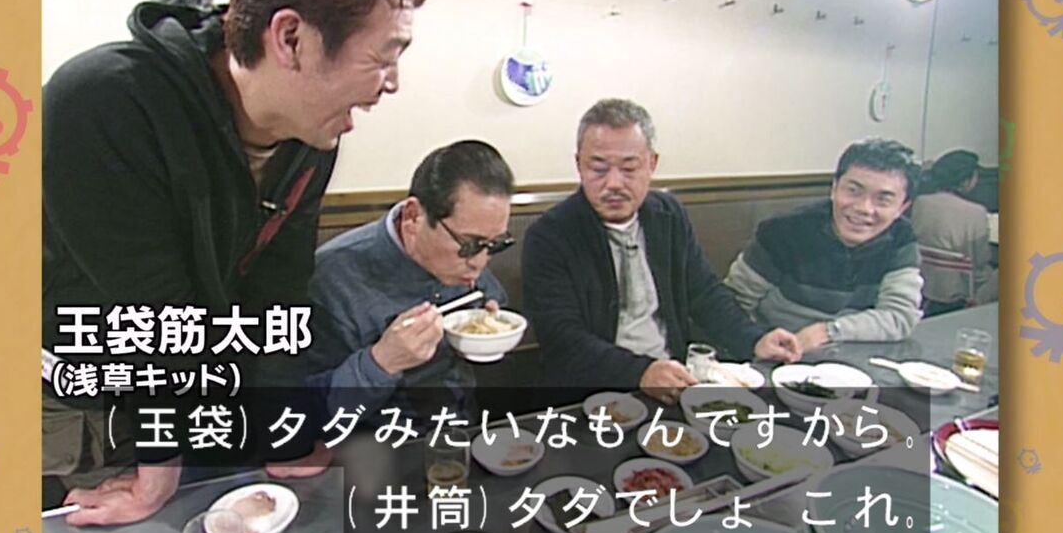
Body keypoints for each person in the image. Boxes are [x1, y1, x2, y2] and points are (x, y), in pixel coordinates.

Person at [41, 0, 428, 526]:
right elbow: (153, 315)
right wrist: (158, 467)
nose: (392, 82)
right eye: (385, 55)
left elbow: (276, 298)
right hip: (72, 402)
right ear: (291, 38)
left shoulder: (308, 139)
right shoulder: (104, 104)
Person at [522, 99, 801, 404]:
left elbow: (704, 293)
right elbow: (562, 338)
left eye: (629, 168)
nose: (613, 183)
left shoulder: (668, 216)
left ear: (652, 164)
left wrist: (753, 339)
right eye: (598, 168)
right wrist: (641, 373)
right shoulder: (550, 235)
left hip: (673, 380)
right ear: (579, 165)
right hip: (590, 394)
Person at [303, 140, 514, 422]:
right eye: (470, 245)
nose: (480, 262)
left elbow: (492, 301)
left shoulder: (466, 258)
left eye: (494, 245)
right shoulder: (333, 277)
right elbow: (302, 409)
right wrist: (381, 362)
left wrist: (486, 328)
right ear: (413, 216)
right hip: (374, 439)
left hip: (460, 425)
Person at [725, 138, 924, 351]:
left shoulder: (900, 238)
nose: (864, 208)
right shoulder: (783, 232)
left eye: (883, 199)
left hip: (852, 353)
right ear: (834, 188)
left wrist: (827, 332)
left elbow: (899, 316)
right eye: (853, 191)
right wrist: (756, 343)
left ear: (902, 208)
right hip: (774, 352)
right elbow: (731, 304)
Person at [911, 149, 995, 316]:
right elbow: (981, 259)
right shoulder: (976, 212)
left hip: (923, 279)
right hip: (958, 288)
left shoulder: (920, 202)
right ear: (966, 180)